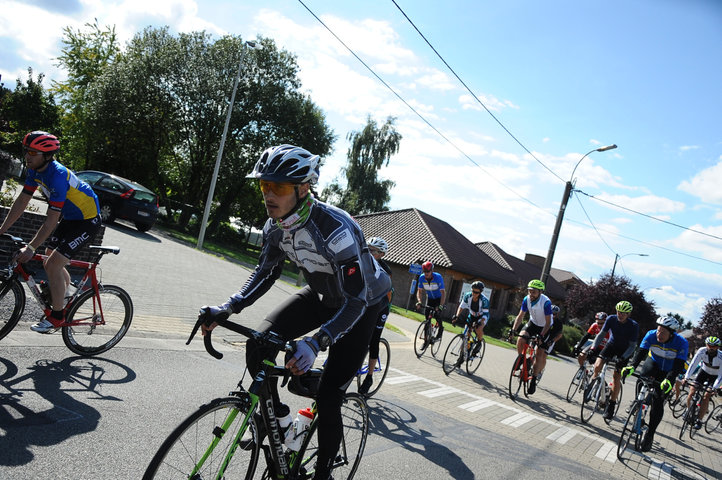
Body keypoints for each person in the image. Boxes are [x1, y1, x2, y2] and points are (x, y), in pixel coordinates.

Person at [201, 144, 391, 480]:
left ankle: (322, 474)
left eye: (279, 187)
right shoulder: (276, 226)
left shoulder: (335, 229)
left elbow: (356, 300)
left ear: (303, 189)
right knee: (258, 343)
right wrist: (227, 307)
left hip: (361, 303)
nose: (268, 194)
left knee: (331, 396)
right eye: (264, 186)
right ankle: (282, 423)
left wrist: (317, 342)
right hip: (322, 294)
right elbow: (265, 272)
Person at [0, 131, 101, 333]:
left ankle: (57, 316)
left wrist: (31, 247)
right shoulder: (35, 170)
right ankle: (66, 291)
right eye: (26, 151)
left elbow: (50, 221)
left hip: (87, 222)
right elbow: (21, 202)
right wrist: (1, 230)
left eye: (32, 152)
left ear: (46, 156)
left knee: (53, 264)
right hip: (71, 218)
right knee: (48, 259)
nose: (27, 156)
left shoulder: (57, 176)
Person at [621, 316, 688, 452]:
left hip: (668, 370)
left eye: (663, 332)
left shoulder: (681, 342)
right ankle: (638, 401)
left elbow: (678, 365)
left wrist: (669, 380)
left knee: (658, 401)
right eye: (658, 330)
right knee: (642, 378)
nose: (659, 334)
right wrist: (632, 366)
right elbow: (641, 352)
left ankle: (650, 434)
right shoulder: (651, 335)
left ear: (671, 333)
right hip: (653, 363)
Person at [588, 300, 639, 421]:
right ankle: (593, 383)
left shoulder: (633, 325)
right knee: (597, 364)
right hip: (611, 345)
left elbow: (632, 346)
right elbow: (601, 334)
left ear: (628, 314)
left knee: (616, 377)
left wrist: (622, 358)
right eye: (618, 312)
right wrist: (593, 347)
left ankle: (611, 404)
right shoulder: (611, 319)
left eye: (623, 313)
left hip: (624, 350)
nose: (620, 315)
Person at [358, 236, 393, 395]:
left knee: (373, 340)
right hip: (364, 303)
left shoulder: (385, 271)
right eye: (368, 248)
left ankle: (369, 377)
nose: (368, 252)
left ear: (381, 254)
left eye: (372, 250)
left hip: (381, 307)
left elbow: (383, 295)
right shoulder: (362, 261)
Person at [509, 279, 553, 395]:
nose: (531, 294)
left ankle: (533, 379)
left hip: (545, 327)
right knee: (521, 338)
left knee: (539, 353)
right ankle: (521, 358)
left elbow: (548, 323)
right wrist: (513, 330)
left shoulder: (546, 302)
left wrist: (541, 336)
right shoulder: (526, 299)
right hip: (533, 324)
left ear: (540, 292)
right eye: (529, 291)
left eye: (534, 292)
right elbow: (520, 316)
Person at [683, 336, 722, 429]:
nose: (711, 348)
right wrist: (686, 378)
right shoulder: (702, 350)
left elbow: (721, 376)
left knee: (706, 396)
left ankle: (699, 420)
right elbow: (693, 364)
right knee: (692, 391)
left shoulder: (721, 357)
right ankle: (688, 410)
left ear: (718, 347)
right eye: (709, 345)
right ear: (706, 345)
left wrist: (715, 388)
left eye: (714, 346)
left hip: (715, 377)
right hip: (703, 373)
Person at [451, 281, 489, 366]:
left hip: (482, 317)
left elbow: (485, 314)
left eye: (476, 292)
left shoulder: (484, 300)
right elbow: (461, 307)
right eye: (473, 291)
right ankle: (460, 359)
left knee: (478, 328)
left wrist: (480, 323)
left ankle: (479, 343)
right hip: (472, 315)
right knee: (465, 337)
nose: (474, 294)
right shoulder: (467, 296)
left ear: (480, 292)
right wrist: (456, 316)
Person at [416, 261, 446, 341]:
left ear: (432, 270)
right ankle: (426, 340)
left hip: (438, 299)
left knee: (437, 314)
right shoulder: (422, 278)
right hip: (429, 299)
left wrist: (441, 305)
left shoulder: (438, 277)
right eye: (424, 271)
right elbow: (419, 291)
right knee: (427, 319)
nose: (426, 273)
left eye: (428, 271)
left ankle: (441, 329)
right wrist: (419, 301)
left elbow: (443, 293)